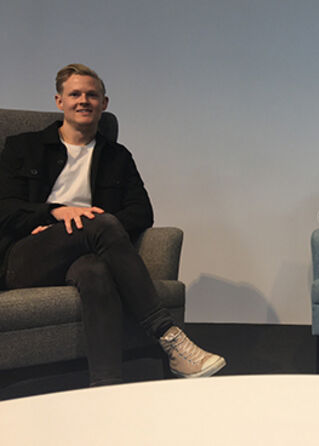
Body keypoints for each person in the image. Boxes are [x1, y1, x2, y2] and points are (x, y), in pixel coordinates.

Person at [0, 64, 226, 387]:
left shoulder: (117, 156)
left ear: (104, 103)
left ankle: (106, 390)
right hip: (26, 255)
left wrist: (93, 229)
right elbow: (4, 207)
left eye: (92, 95)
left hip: (85, 254)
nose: (83, 100)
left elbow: (141, 213)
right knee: (99, 223)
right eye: (75, 94)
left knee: (96, 272)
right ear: (59, 101)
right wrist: (52, 214)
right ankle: (168, 336)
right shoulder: (23, 147)